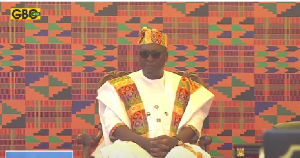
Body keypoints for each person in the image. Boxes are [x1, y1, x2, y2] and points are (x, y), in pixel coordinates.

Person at [92, 27, 215, 158]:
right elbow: (113, 123)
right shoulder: (118, 86)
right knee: (126, 153)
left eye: (156, 54)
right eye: (144, 54)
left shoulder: (186, 85)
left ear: (166, 56)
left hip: (175, 145)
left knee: (182, 154)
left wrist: (173, 142)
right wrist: (145, 143)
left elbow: (194, 121)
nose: (149, 59)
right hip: (134, 145)